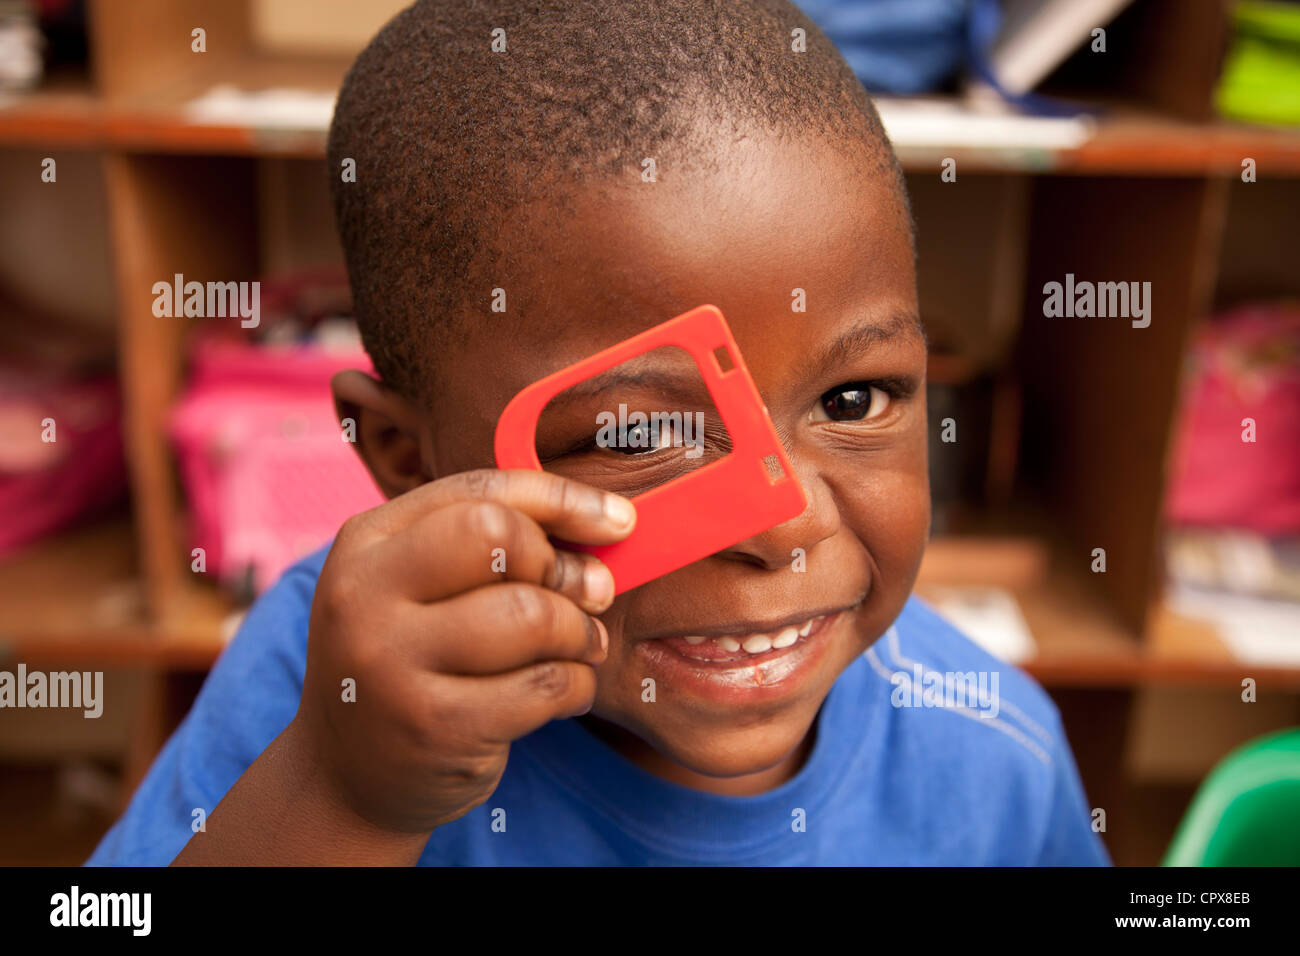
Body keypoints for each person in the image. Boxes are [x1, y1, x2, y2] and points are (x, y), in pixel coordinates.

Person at [89, 0, 1109, 866]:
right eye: (633, 431)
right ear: (406, 459)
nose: (785, 525)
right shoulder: (330, 688)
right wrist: (345, 798)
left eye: (853, 402)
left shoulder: (994, 759)